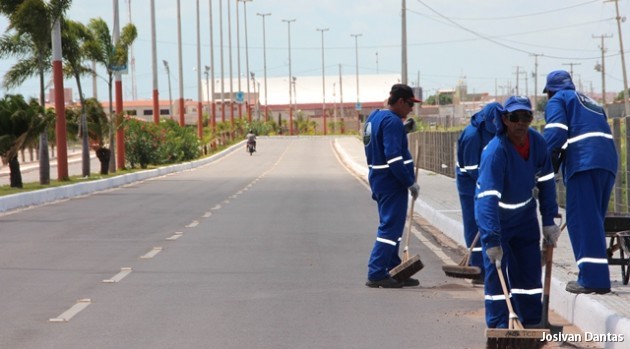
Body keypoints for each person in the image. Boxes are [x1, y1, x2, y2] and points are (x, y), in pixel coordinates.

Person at [475, 95, 559, 329]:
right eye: (515, 117)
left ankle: (531, 321)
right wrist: (491, 239)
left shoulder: (538, 143)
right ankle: (500, 326)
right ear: (505, 119)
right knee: (497, 273)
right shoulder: (495, 152)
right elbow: (487, 199)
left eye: (526, 116)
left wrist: (549, 221)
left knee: (529, 271)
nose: (521, 123)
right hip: (497, 219)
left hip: (524, 216)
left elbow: (547, 182)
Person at [542, 70, 617, 294]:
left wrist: (541, 167)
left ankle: (593, 280)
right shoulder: (590, 101)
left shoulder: (558, 100)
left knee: (582, 222)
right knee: (593, 220)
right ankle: (595, 275)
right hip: (607, 163)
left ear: (550, 91)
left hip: (584, 162)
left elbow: (555, 135)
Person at [363, 83, 421, 288]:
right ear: (400, 102)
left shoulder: (375, 117)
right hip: (391, 181)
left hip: (379, 179)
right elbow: (394, 158)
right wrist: (409, 182)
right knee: (390, 227)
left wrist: (403, 129)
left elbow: (379, 139)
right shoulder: (393, 122)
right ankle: (377, 272)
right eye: (410, 104)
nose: (411, 109)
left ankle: (394, 269)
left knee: (393, 227)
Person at [455, 102, 503, 284]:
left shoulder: (494, 131)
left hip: (487, 182)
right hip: (469, 184)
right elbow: (471, 168)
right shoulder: (472, 135)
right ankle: (477, 269)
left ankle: (487, 265)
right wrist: (491, 183)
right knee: (473, 223)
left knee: (488, 223)